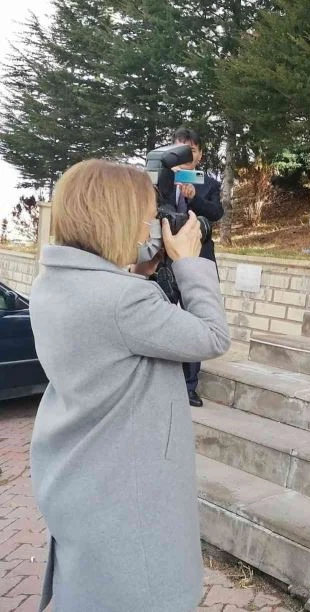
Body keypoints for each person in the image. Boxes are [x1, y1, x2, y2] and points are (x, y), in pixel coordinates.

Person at [28, 159, 230, 611]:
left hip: (81, 478)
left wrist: (142, 265)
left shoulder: (52, 283)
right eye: (145, 215)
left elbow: (111, 317)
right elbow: (212, 337)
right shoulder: (125, 301)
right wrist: (190, 264)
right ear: (118, 218)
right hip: (128, 500)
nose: (153, 224)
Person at [172, 126, 224, 408]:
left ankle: (189, 386)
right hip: (165, 261)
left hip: (199, 260)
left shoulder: (210, 183)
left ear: (200, 154)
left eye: (191, 149)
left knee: (197, 322)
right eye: (180, 148)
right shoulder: (160, 180)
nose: (186, 154)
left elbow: (217, 213)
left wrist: (195, 198)